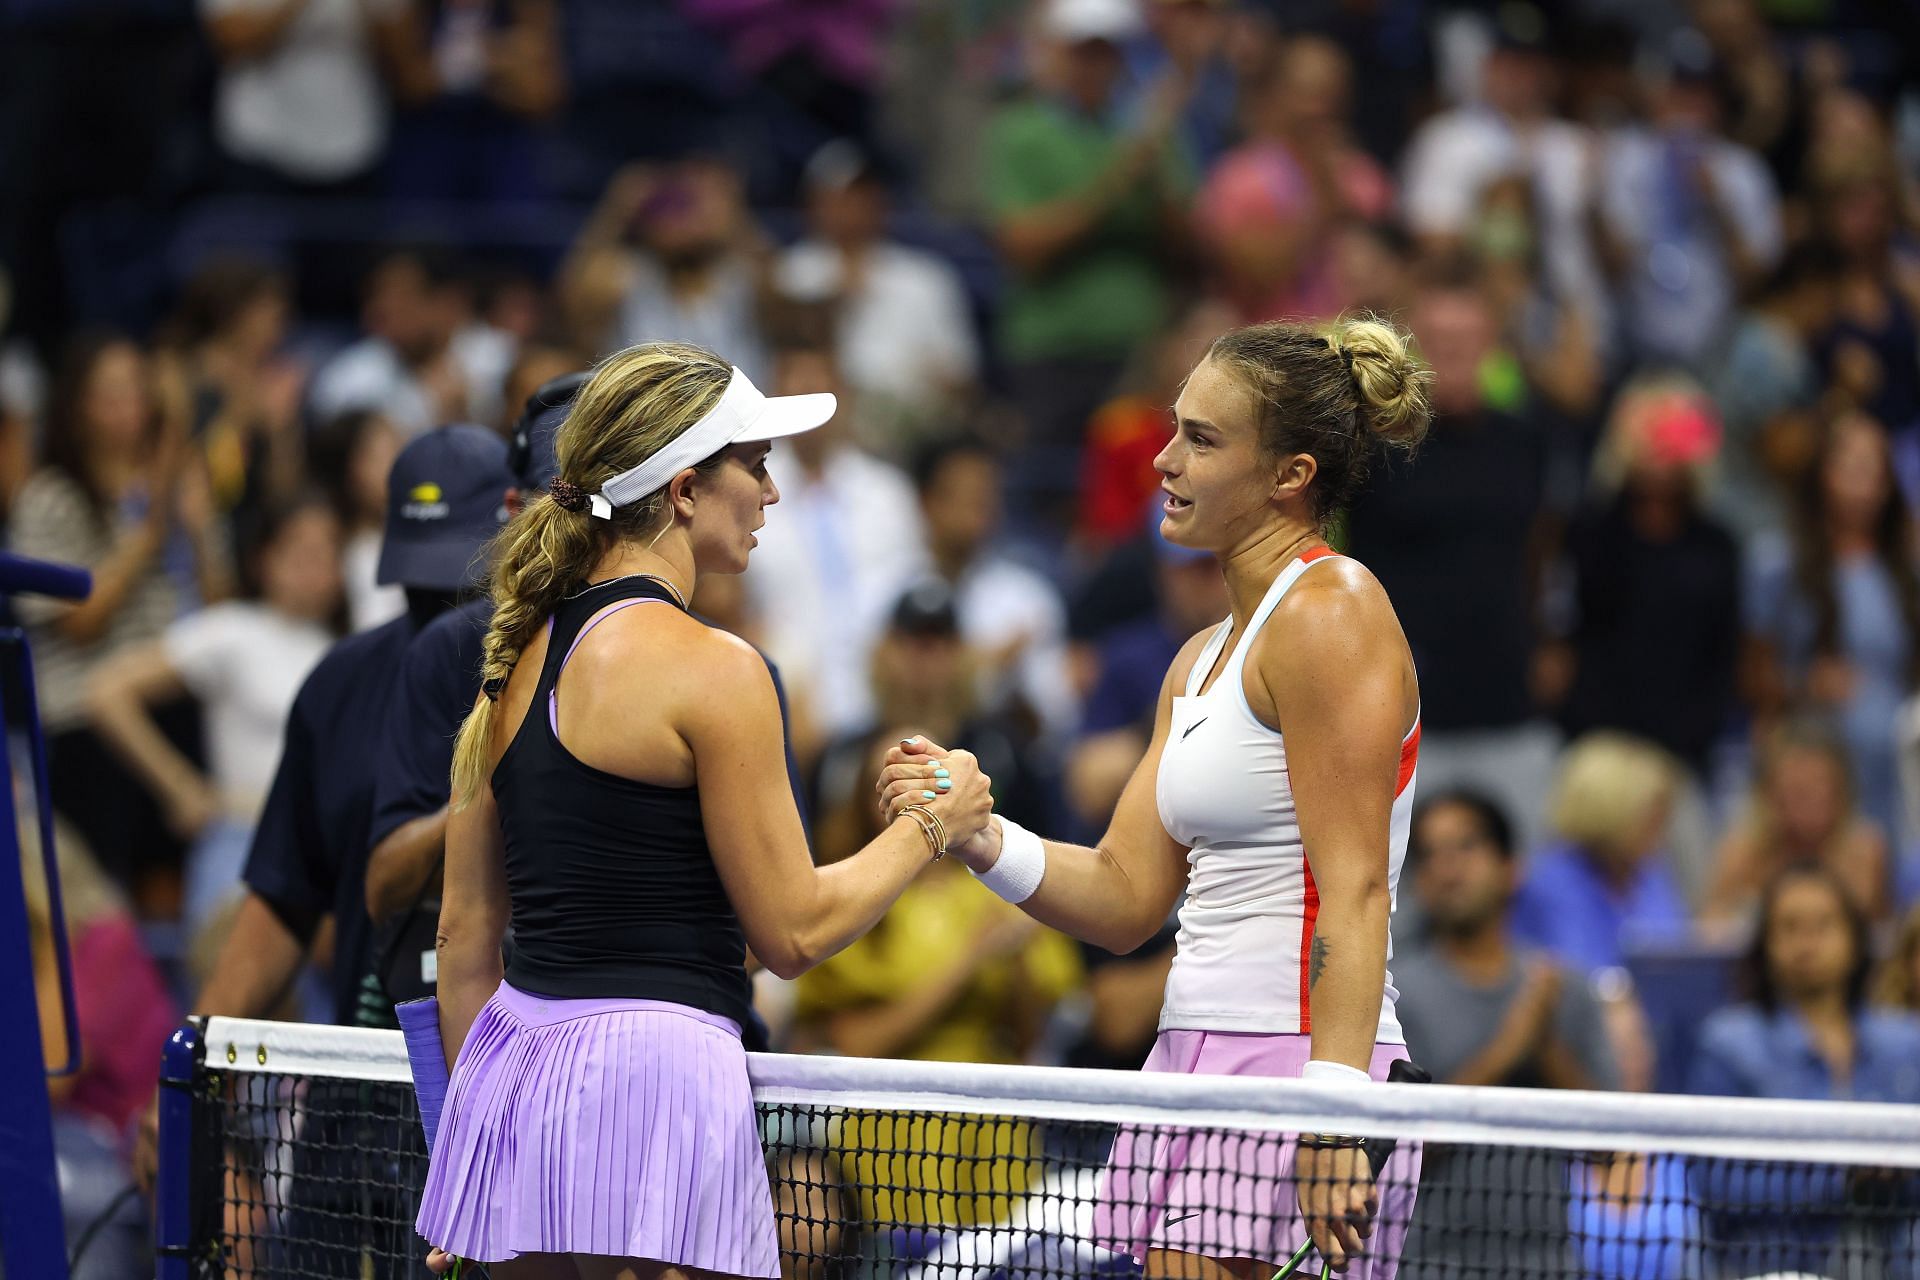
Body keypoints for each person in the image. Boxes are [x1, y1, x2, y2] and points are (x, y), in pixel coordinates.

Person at [414, 342, 994, 1277]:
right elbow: (793, 933)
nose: (772, 494)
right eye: (756, 467)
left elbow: (465, 935)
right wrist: (933, 825)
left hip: (514, 1077)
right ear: (683, 491)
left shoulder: (510, 666)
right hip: (657, 1081)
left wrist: (467, 1147)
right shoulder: (719, 671)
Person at [883, 316, 1432, 1276]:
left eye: (1203, 439)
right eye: (1174, 429)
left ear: (1288, 476)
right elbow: (1127, 895)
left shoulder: (1332, 609)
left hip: (1301, 1060)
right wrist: (976, 834)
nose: (1165, 460)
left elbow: (1355, 892)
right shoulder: (1197, 660)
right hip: (1190, 1060)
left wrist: (1334, 1110)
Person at [130, 425, 518, 1218]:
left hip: (509, 1091)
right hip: (363, 1096)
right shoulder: (339, 684)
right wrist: (193, 1064)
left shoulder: (565, 674)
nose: (436, 610)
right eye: (418, 582)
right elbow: (283, 894)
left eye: (457, 586)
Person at [10, 332, 233, 905]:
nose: (129, 406)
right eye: (111, 392)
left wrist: (201, 525)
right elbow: (82, 623)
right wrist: (151, 528)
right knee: (107, 900)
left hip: (177, 701)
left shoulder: (179, 488)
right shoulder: (50, 496)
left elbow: (221, 615)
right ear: (77, 406)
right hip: (84, 720)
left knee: (178, 887)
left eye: (138, 391)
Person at [85, 495, 343, 934]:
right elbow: (106, 691)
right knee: (231, 997)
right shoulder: (233, 630)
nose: (314, 565)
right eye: (299, 548)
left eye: (327, 550)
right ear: (265, 558)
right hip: (241, 837)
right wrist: (180, 787)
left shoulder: (344, 649)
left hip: (325, 848)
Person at [1394, 790, 1619, 1279]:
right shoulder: (1393, 995)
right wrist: (1506, 1051)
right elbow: (1397, 1158)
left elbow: (1608, 1149)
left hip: (1550, 1264)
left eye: (1466, 846)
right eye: (1430, 855)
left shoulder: (1565, 990)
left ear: (1511, 867)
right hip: (1427, 1263)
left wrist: (1546, 1047)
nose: (1447, 868)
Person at [1687, 865, 1920, 1273]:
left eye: (1824, 925)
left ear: (1854, 937)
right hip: (1776, 1266)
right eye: (1789, 927)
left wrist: (1899, 1170)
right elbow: (1714, 1183)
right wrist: (1842, 1176)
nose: (1807, 942)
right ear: (1766, 944)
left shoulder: (1906, 1043)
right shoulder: (1729, 1043)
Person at [1745, 409, 1920, 847]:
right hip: (1814, 765)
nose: (1864, 482)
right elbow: (1752, 676)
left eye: (1875, 468)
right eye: (1850, 465)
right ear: (1821, 472)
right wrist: (1803, 684)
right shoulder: (1778, 563)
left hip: (1898, 763)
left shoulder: (1906, 569)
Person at [1510, 732, 1692, 975]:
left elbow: (1675, 952)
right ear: (1609, 812)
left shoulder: (1650, 871)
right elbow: (1577, 976)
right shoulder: (1550, 882)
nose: (1661, 828)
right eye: (1651, 816)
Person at [1701, 721, 1890, 928]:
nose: (1808, 802)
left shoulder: (1864, 852)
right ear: (1769, 794)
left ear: (1841, 792)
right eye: (1795, 789)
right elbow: (1710, 932)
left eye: (1818, 786)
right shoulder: (1742, 852)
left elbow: (1883, 938)